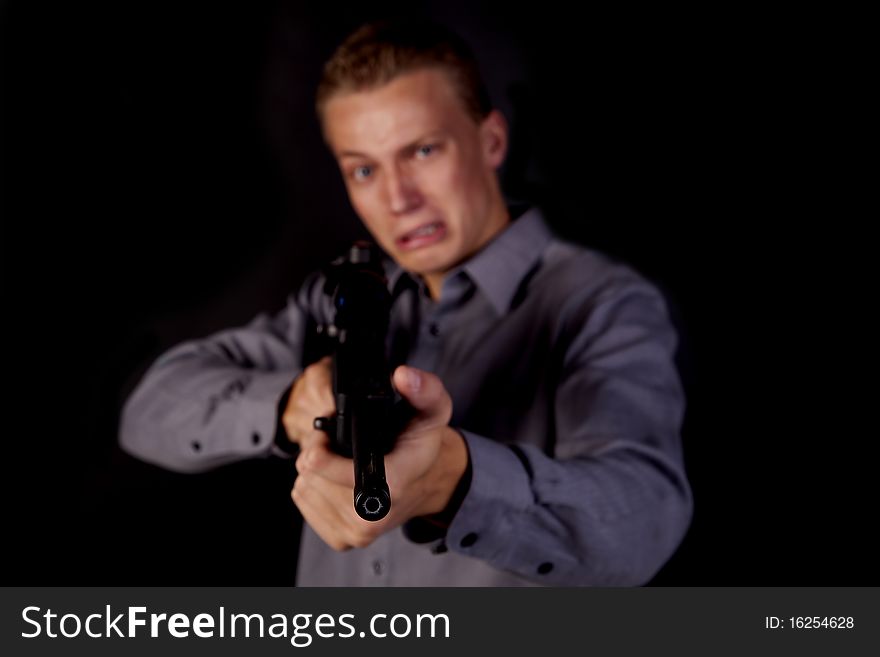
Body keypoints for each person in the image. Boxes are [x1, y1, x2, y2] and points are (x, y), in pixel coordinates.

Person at [120, 18, 692, 586]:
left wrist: (454, 480)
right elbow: (150, 408)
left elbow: (642, 522)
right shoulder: (338, 300)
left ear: (491, 140)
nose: (398, 199)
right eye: (364, 169)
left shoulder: (597, 303)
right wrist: (290, 402)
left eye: (421, 151)